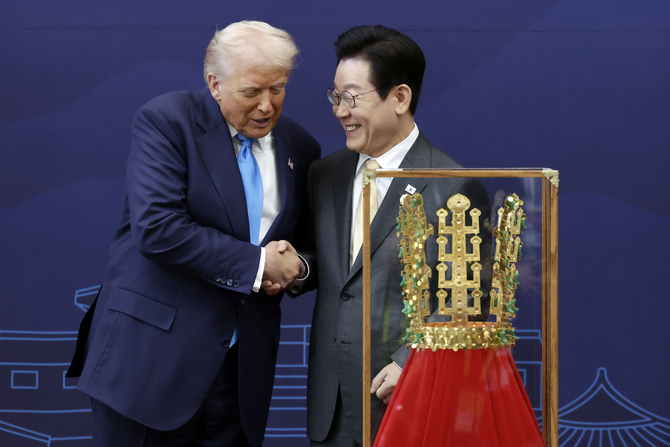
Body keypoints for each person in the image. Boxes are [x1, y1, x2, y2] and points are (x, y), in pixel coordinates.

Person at [66, 21, 320, 447]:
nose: (266, 105)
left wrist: (299, 267)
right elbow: (158, 228)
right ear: (214, 84)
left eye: (277, 89)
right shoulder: (167, 121)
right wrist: (259, 265)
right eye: (251, 91)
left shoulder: (300, 146)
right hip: (150, 365)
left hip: (240, 377)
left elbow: (309, 245)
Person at [285, 25, 492, 447]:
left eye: (351, 98)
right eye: (335, 97)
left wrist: (412, 361)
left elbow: (468, 298)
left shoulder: (453, 185)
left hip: (406, 398)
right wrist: (297, 266)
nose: (339, 111)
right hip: (331, 403)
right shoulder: (325, 174)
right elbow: (327, 262)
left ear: (399, 98)